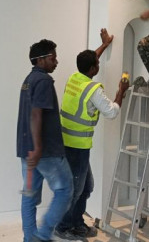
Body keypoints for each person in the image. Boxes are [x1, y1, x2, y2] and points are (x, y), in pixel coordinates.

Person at [55, 29, 130, 240]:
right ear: (92, 69)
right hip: (77, 146)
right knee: (75, 189)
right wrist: (121, 91)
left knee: (87, 186)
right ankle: (63, 227)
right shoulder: (93, 90)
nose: (98, 65)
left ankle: (77, 223)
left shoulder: (75, 77)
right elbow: (112, 112)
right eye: (96, 64)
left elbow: (90, 58)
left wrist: (104, 45)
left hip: (69, 144)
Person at [17, 39, 74, 242]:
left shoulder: (28, 80)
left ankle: (30, 239)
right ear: (40, 60)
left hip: (27, 152)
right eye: (53, 58)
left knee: (29, 195)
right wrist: (39, 147)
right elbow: (36, 114)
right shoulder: (43, 81)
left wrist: (32, 148)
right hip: (45, 152)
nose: (56, 62)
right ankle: (42, 235)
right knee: (65, 189)